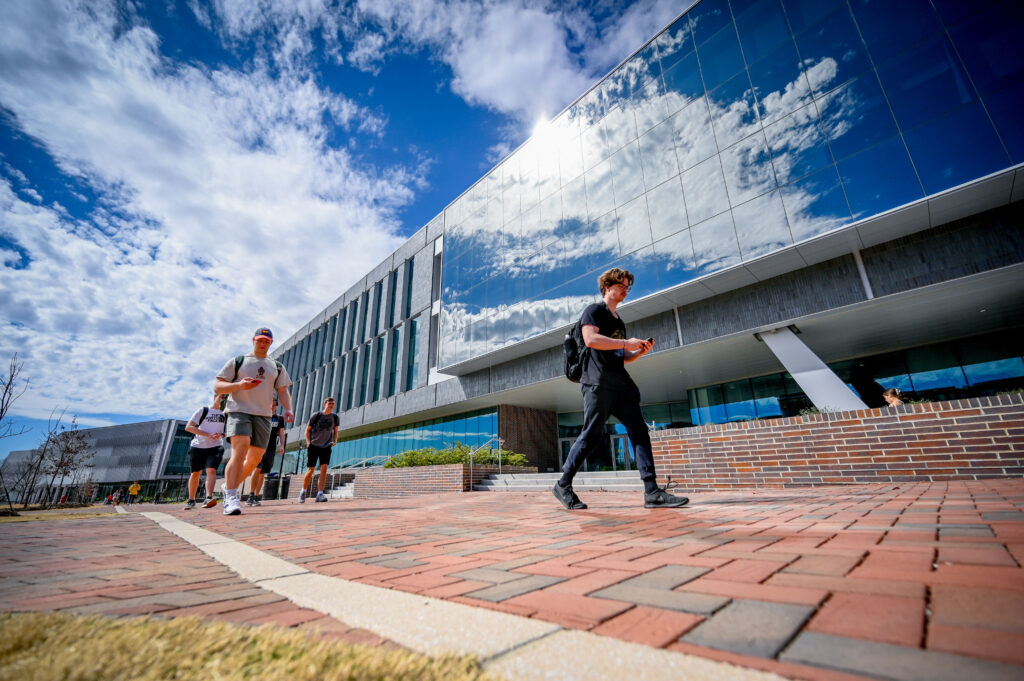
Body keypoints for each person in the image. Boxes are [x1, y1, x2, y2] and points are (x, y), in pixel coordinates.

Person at [555, 267, 689, 510]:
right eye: (621, 285)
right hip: (597, 382)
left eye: (628, 286)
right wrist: (626, 342)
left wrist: (637, 352)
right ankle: (563, 484)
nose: (626, 289)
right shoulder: (594, 311)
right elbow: (591, 340)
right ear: (608, 287)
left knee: (639, 432)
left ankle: (652, 491)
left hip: (622, 384)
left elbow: (620, 355)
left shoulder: (620, 321)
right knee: (592, 435)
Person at [214, 327, 294, 516]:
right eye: (260, 340)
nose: (263, 343)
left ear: (271, 343)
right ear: (253, 340)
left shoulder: (277, 366)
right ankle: (232, 497)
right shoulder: (238, 361)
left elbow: (282, 390)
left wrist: (289, 409)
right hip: (239, 410)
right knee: (240, 449)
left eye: (266, 340)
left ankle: (228, 486)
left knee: (255, 459)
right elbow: (218, 385)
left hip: (264, 415)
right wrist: (239, 385)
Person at [183, 394, 228, 509]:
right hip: (198, 446)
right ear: (215, 397)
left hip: (216, 446)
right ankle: (191, 500)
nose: (223, 400)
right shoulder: (203, 410)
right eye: (221, 397)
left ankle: (208, 497)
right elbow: (189, 427)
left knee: (211, 470)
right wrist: (208, 435)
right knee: (195, 473)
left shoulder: (226, 415)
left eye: (225, 398)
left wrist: (222, 435)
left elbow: (228, 431)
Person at [299, 397, 339, 503]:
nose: (331, 405)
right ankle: (303, 491)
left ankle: (320, 494)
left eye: (333, 403)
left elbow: (335, 430)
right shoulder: (316, 415)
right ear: (324, 404)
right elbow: (307, 430)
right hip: (314, 445)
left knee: (324, 469)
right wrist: (308, 443)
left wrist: (335, 440)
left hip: (326, 446)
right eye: (329, 403)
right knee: (311, 469)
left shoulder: (335, 417)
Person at [246, 409, 286, 506]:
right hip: (259, 446)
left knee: (262, 473)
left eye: (274, 404)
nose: (272, 406)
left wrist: (282, 445)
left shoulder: (279, 418)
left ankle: (255, 496)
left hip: (270, 449)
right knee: (257, 469)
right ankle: (250, 495)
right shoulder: (260, 414)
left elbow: (281, 432)